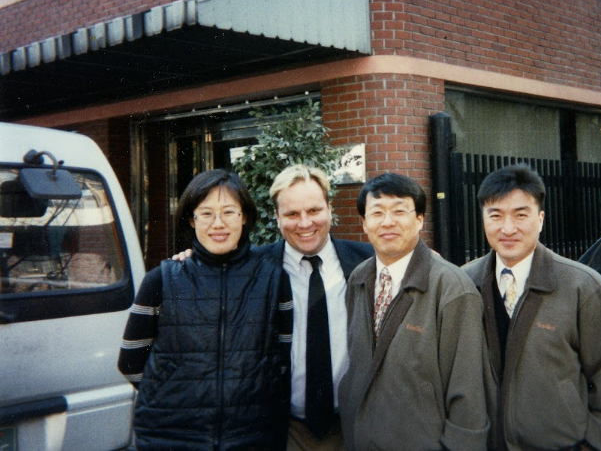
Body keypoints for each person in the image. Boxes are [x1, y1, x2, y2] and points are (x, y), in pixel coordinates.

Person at [462, 164, 601, 451]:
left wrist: (594, 446)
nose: (508, 228)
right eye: (495, 215)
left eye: (521, 215)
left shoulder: (582, 286)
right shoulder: (463, 284)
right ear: (483, 219)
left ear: (541, 219)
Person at [117, 169, 288, 451]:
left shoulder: (272, 279)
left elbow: (281, 360)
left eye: (229, 212)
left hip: (253, 437)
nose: (217, 224)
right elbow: (130, 361)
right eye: (206, 213)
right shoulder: (162, 279)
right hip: (171, 438)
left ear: (244, 216)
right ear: (192, 219)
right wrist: (171, 394)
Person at [339, 172, 492, 451]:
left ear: (420, 219)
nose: (388, 222)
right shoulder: (359, 279)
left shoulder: (451, 287)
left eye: (399, 211)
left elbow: (468, 393)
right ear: (364, 223)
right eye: (377, 212)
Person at [263, 164, 373, 451]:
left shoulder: (369, 262)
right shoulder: (256, 268)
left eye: (314, 211)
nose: (304, 223)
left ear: (329, 209)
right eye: (291, 214)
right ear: (276, 217)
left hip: (355, 427)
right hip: (284, 430)